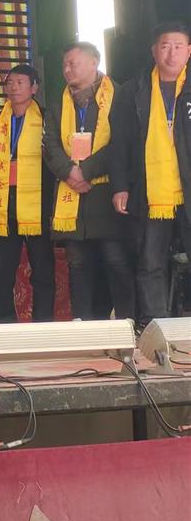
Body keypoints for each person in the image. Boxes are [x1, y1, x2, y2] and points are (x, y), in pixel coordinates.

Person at [43, 41, 134, 321]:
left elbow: (120, 143)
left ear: (94, 62)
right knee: (78, 263)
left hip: (105, 192)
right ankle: (83, 322)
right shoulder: (58, 102)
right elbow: (50, 145)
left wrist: (86, 171)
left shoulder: (119, 95)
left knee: (115, 260)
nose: (67, 69)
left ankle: (128, 320)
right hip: (71, 194)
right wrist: (70, 173)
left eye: (73, 63)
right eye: (65, 64)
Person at [111, 21, 191, 327]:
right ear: (154, 50)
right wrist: (120, 185)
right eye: (165, 46)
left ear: (189, 51)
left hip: (187, 186)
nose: (171, 53)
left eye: (178, 47)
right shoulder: (133, 90)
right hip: (150, 189)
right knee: (150, 261)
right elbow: (119, 143)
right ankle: (155, 325)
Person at [0, 64, 56, 322]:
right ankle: (5, 325)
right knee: (1, 271)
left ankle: (43, 324)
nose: (13, 87)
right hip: (4, 204)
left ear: (34, 87)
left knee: (43, 269)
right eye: (10, 82)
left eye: (20, 82)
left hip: (37, 204)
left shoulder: (47, 119)